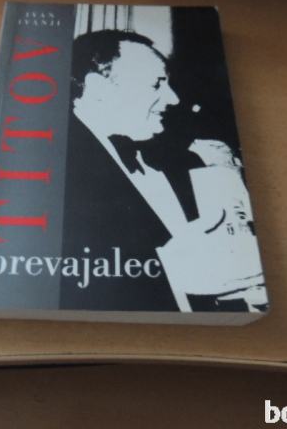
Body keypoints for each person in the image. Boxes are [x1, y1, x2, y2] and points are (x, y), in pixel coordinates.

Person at [60, 30, 268, 313]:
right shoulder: (56, 169)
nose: (173, 99)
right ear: (99, 89)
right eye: (157, 84)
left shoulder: (185, 158)